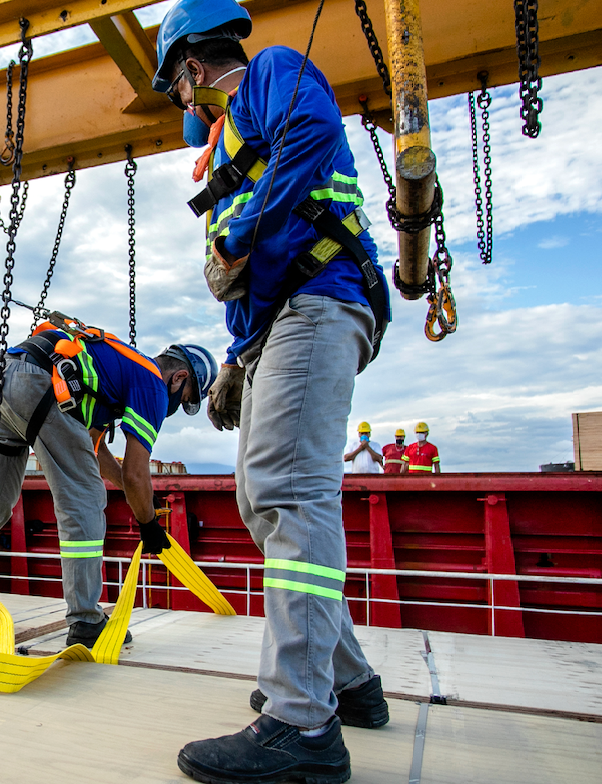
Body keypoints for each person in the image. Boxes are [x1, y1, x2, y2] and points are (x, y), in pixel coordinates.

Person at [152, 1, 393, 781]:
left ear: (191, 67)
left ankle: (303, 726)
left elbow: (314, 139)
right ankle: (347, 682)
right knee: (262, 497)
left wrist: (239, 230)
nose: (181, 103)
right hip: (280, 320)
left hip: (321, 297)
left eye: (175, 87)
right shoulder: (231, 144)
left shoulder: (271, 74)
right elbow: (251, 277)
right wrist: (232, 357)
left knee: (288, 492)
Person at [0, 313, 216, 646]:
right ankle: (85, 619)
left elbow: (97, 453)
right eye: (186, 397)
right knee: (84, 500)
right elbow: (137, 471)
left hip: (4, 376)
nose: (179, 405)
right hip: (41, 385)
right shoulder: (152, 382)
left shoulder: (116, 367)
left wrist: (134, 493)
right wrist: (148, 523)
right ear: (180, 377)